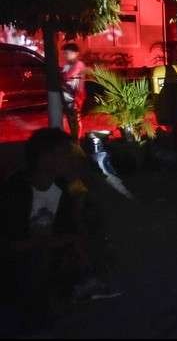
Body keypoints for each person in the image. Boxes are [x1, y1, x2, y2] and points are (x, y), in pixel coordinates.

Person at [1, 129, 114, 330]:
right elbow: (12, 241)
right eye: (64, 154)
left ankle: (77, 284)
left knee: (92, 226)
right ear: (45, 159)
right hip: (20, 255)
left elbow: (72, 223)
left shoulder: (62, 185)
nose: (71, 159)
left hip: (50, 247)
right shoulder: (16, 190)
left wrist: (79, 202)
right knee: (36, 261)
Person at [60, 43, 86, 142]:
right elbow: (63, 76)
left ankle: (76, 140)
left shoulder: (79, 64)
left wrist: (64, 76)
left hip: (77, 95)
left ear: (76, 53)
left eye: (68, 53)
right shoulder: (67, 65)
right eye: (65, 53)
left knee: (75, 118)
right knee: (68, 117)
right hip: (67, 95)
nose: (66, 55)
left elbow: (66, 76)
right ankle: (72, 138)